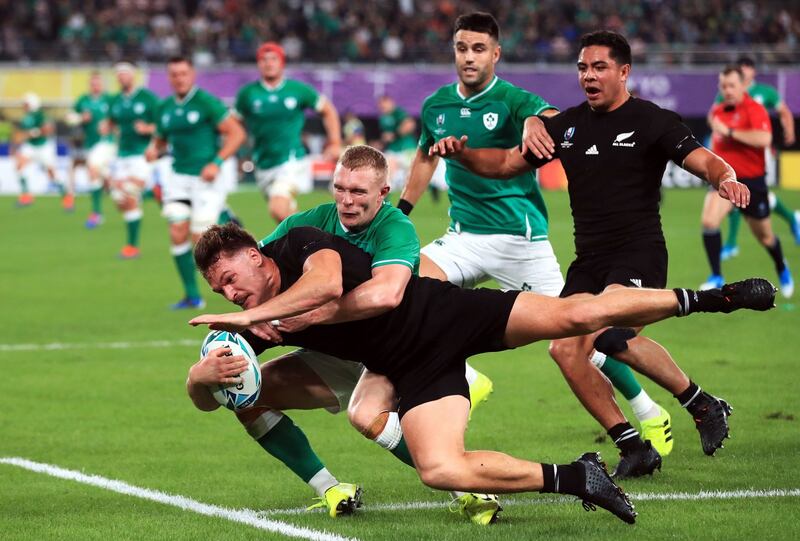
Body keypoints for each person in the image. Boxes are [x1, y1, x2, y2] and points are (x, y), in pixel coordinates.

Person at [188, 223, 775, 526]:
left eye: (231, 278)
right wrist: (202, 374)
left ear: (256, 255)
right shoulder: (243, 323)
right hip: (412, 368)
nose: (230, 293)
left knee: (577, 313)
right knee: (440, 469)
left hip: (446, 314)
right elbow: (212, 399)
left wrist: (260, 316)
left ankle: (712, 298)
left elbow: (328, 286)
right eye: (220, 291)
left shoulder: (296, 247)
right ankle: (578, 478)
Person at [427, 30, 755, 477]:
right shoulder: (568, 127)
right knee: (566, 350)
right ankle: (639, 442)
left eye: (599, 67)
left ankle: (700, 402)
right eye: (582, 68)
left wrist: (726, 179)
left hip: (638, 253)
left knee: (608, 331)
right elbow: (505, 165)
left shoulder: (652, 120)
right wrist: (461, 155)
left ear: (624, 71)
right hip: (590, 261)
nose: (589, 76)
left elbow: (704, 160)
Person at [396, 13, 673, 467]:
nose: (469, 57)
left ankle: (648, 410)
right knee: (404, 289)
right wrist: (403, 211)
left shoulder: (512, 98)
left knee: (586, 332)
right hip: (463, 237)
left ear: (496, 53)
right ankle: (466, 376)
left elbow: (550, 119)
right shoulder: (436, 106)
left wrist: (531, 123)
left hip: (521, 241)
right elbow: (426, 157)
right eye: (462, 47)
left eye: (479, 49)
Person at [146, 56, 246, 309]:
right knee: (177, 232)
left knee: (198, 238)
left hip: (205, 178)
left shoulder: (206, 102)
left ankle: (225, 213)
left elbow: (237, 133)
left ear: (192, 75)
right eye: (174, 74)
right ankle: (192, 296)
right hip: (177, 178)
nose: (178, 78)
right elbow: (160, 139)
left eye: (183, 73)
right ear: (169, 77)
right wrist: (153, 149)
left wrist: (217, 162)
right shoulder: (164, 107)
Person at [700, 66, 793, 298]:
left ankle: (781, 266)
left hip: (753, 183)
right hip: (727, 181)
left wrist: (730, 132)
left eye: (731, 85)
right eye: (723, 86)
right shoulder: (719, 110)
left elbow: (764, 138)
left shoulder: (755, 109)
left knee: (765, 237)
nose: (727, 90)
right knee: (709, 221)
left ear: (743, 85)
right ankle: (716, 276)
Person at [234, 42, 341, 223]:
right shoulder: (247, 94)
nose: (269, 63)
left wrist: (335, 142)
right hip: (263, 164)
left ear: (282, 63)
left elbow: (328, 110)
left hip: (292, 161)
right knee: (287, 218)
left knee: (278, 207)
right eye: (264, 60)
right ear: (258, 64)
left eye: (273, 59)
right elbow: (233, 124)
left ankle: (316, 244)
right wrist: (239, 152)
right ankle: (313, 242)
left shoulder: (297, 90)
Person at [709, 56, 800, 258]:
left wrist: (790, 130)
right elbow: (713, 115)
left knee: (755, 194)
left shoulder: (764, 93)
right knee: (733, 192)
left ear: (752, 72)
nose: (744, 70)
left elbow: (783, 111)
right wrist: (716, 128)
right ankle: (732, 242)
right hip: (732, 151)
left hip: (757, 149)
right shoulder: (726, 92)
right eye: (741, 67)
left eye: (748, 67)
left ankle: (792, 218)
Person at [106, 62, 160, 258]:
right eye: (118, 75)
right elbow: (111, 121)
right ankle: (154, 192)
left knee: (129, 192)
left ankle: (132, 246)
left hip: (141, 154)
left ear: (133, 75)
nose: (122, 77)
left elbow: (162, 125)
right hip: (122, 156)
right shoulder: (115, 100)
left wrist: (148, 129)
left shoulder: (148, 98)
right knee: (119, 199)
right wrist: (107, 126)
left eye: (125, 74)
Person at [72, 71, 116, 229]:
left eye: (98, 83)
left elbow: (118, 119)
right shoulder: (82, 101)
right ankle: (114, 189)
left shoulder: (110, 100)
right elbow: (70, 118)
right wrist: (80, 118)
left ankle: (96, 212)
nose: (95, 85)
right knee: (100, 175)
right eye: (93, 83)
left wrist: (109, 125)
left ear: (102, 84)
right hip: (90, 144)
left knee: (92, 168)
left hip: (107, 143)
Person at [14, 93, 65, 209]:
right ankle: (26, 195)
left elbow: (49, 128)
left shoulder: (40, 115)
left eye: (26, 104)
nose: (24, 106)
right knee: (19, 167)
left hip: (43, 146)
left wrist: (36, 132)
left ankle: (66, 195)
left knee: (52, 174)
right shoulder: (25, 117)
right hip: (30, 146)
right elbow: (22, 133)